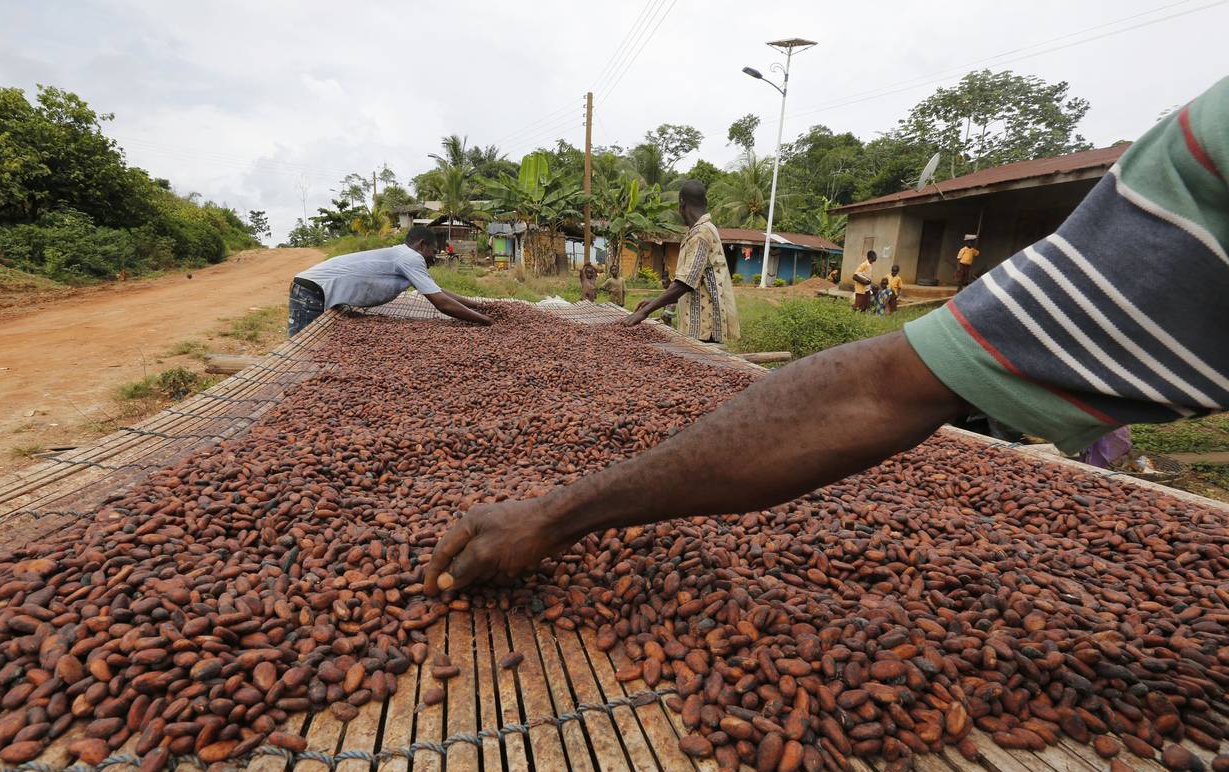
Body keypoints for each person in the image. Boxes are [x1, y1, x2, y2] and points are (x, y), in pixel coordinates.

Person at [423, 76, 1229, 596]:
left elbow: (879, 388)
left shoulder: (1194, 173)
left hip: (710, 323)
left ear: (684, 208)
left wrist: (557, 511)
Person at [287, 226, 491, 335]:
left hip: (314, 289)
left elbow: (437, 291)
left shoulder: (403, 257)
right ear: (421, 245)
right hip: (311, 290)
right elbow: (441, 303)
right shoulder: (410, 257)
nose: (434, 257)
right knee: (301, 349)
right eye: (433, 251)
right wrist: (487, 322)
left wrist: (478, 306)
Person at [623, 181, 740, 344]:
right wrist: (656, 300)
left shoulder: (702, 234)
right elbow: (693, 282)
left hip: (705, 328)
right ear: (705, 203)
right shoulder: (699, 231)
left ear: (682, 204)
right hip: (700, 326)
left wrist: (645, 312)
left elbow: (685, 283)